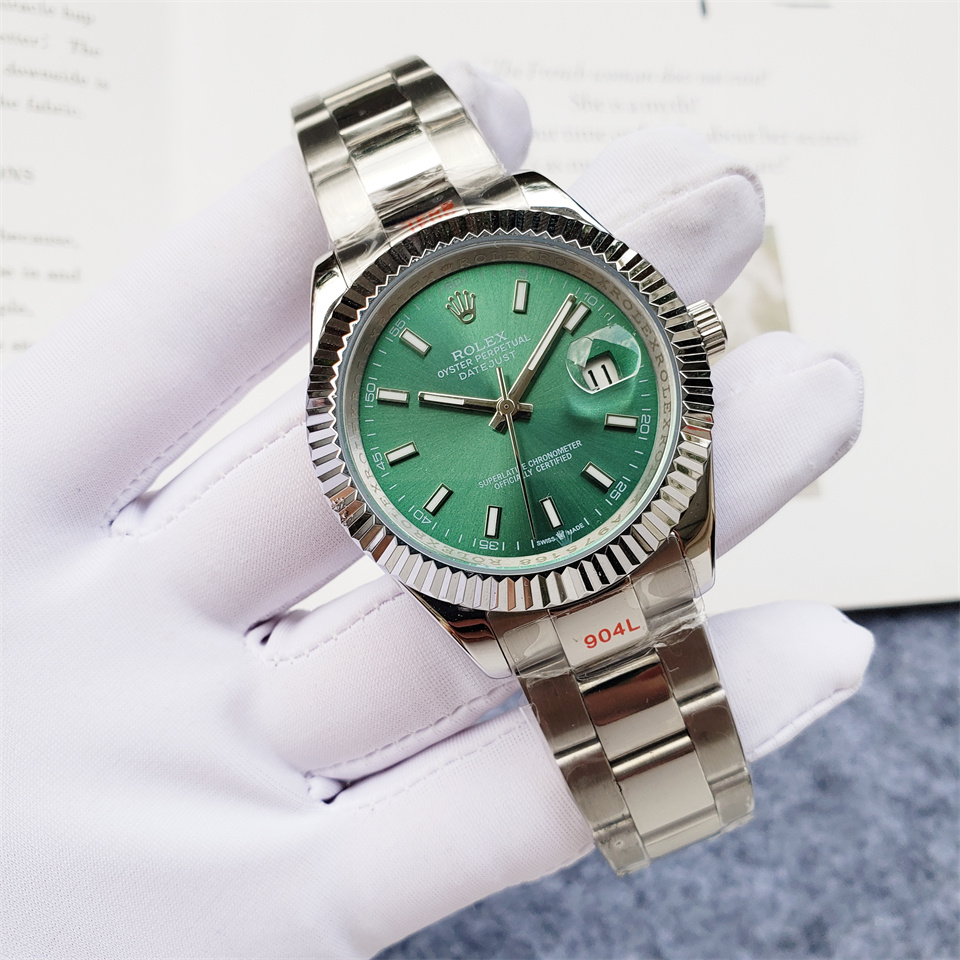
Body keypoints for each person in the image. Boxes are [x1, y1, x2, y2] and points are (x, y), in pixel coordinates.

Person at [0, 63, 873, 958]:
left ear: (683, 339)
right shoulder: (364, 464)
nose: (507, 411)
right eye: (491, 409)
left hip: (606, 516)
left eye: (510, 401)